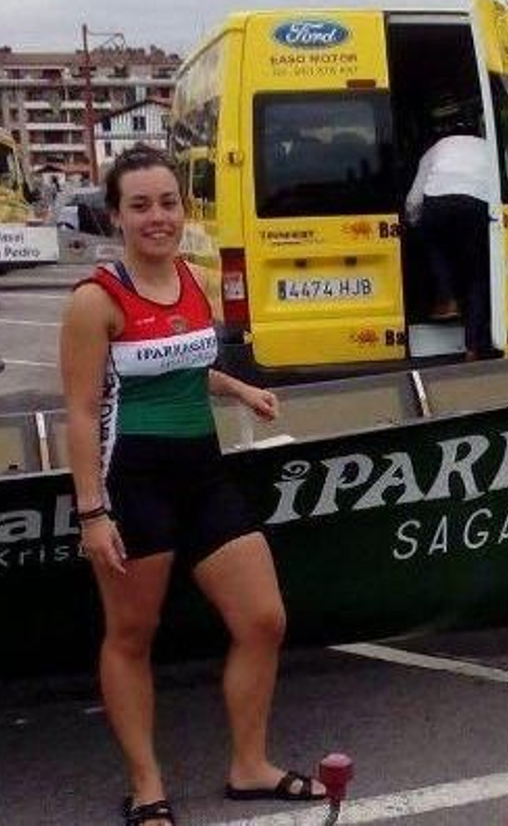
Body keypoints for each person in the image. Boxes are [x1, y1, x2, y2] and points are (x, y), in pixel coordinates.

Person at [60, 146, 324, 826]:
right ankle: (147, 785)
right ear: (114, 214)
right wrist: (92, 512)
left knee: (264, 618)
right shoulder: (96, 299)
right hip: (133, 481)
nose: (158, 217)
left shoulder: (192, 278)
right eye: (141, 205)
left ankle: (249, 765)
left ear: (184, 209)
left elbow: (183, 360)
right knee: (132, 634)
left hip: (202, 474)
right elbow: (84, 411)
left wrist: (238, 386)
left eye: (168, 202)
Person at [405, 128, 496, 359]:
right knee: (476, 276)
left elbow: (414, 199)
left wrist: (413, 224)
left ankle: (447, 298)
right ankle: (473, 347)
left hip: (439, 202)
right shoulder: (489, 147)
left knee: (432, 243)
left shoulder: (436, 149)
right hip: (477, 204)